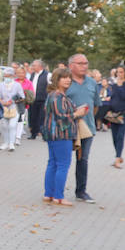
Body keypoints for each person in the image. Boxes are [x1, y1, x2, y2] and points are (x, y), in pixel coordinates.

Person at [42, 67, 81, 206]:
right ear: (57, 80)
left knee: (53, 163)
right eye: (64, 77)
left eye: (69, 77)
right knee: (62, 165)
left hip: (53, 134)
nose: (68, 80)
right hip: (61, 134)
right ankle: (58, 196)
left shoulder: (54, 95)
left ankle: (49, 194)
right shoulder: (58, 96)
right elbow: (61, 116)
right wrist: (77, 113)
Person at [66, 54, 100, 203]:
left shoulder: (92, 83)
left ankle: (81, 191)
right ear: (71, 65)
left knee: (83, 160)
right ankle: (56, 190)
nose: (84, 66)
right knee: (63, 159)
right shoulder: (65, 82)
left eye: (86, 63)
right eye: (80, 63)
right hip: (67, 127)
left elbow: (96, 106)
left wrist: (86, 120)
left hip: (87, 129)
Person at [0, 67, 26, 152]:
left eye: (9, 76)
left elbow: (22, 96)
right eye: (5, 76)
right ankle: (5, 142)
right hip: (4, 108)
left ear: (12, 76)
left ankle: (11, 143)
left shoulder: (17, 85)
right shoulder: (1, 85)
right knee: (5, 126)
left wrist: (13, 100)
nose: (7, 77)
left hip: (14, 108)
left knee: (12, 126)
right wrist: (2, 102)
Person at [104, 66, 125, 169]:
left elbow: (123, 97)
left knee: (120, 136)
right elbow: (112, 97)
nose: (119, 74)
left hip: (123, 114)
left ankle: (117, 159)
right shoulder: (114, 85)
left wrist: (121, 85)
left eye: (121, 72)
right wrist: (109, 108)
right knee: (114, 137)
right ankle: (118, 155)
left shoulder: (123, 85)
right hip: (113, 114)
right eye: (117, 72)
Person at [27, 59, 49, 140]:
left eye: (34, 65)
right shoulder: (32, 75)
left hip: (43, 99)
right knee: (33, 117)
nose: (32, 67)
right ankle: (33, 133)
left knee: (42, 117)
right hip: (33, 99)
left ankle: (44, 135)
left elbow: (51, 87)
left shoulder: (47, 75)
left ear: (40, 66)